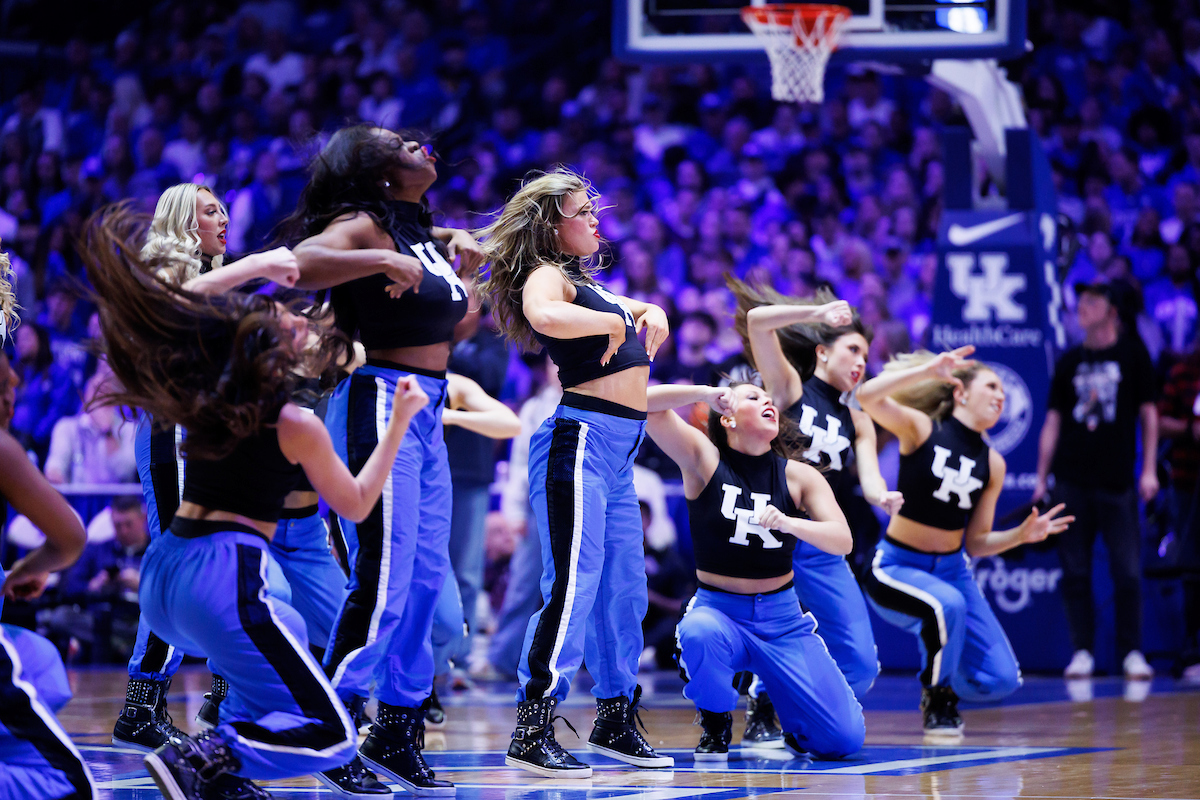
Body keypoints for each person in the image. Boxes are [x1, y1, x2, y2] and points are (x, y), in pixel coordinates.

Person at [83, 204, 427, 800]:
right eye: (285, 320)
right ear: (276, 351)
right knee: (333, 734)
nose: (298, 321)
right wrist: (398, 423)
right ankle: (208, 757)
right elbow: (356, 502)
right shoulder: (294, 422)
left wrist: (254, 272)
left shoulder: (206, 394)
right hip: (222, 577)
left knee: (288, 619)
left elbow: (170, 309)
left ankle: (224, 753)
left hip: (165, 576)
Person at [289, 124, 484, 796]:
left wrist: (465, 273)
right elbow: (300, 263)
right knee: (384, 578)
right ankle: (331, 727)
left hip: (425, 405)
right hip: (379, 400)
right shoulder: (363, 224)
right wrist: (377, 261)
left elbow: (448, 327)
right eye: (402, 144)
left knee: (427, 580)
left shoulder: (418, 233)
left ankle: (396, 729)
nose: (421, 146)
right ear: (377, 173)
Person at [478, 167, 672, 778]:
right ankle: (533, 725)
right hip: (580, 437)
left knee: (624, 589)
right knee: (574, 584)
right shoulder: (548, 277)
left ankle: (614, 717)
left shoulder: (587, 282)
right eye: (583, 210)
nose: (596, 219)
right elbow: (543, 315)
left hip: (618, 450)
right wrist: (612, 323)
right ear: (551, 224)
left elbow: (621, 307)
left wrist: (649, 308)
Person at [113, 182, 301, 754]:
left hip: (217, 431)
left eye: (223, 207)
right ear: (180, 221)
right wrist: (258, 266)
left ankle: (224, 696)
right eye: (209, 210)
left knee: (220, 560)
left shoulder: (216, 277)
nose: (222, 216)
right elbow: (177, 304)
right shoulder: (169, 273)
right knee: (181, 559)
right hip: (173, 433)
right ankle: (141, 706)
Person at [644, 380, 865, 761]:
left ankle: (794, 724)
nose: (767, 400)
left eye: (768, 396)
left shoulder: (800, 476)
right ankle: (715, 720)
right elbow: (643, 403)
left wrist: (792, 524)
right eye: (753, 396)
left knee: (843, 741)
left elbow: (842, 540)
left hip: (783, 621)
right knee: (698, 631)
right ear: (727, 417)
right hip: (719, 612)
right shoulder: (704, 460)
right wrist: (703, 393)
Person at [857, 346, 1073, 734]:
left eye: (1004, 393)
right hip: (897, 567)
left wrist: (1021, 536)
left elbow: (975, 543)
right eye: (992, 386)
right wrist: (928, 369)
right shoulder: (921, 427)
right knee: (949, 605)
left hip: (954, 569)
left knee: (1002, 679)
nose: (1000, 396)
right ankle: (937, 697)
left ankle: (942, 668)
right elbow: (867, 396)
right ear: (960, 393)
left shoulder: (993, 462)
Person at [730, 282, 903, 743]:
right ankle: (766, 700)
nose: (861, 362)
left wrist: (882, 496)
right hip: (770, 538)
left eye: (867, 356)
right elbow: (756, 323)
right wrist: (821, 311)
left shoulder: (859, 417)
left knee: (863, 664)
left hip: (820, 541)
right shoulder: (788, 389)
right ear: (823, 353)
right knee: (766, 635)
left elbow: (869, 478)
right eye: (852, 350)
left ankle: (780, 699)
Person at [0, 245, 97, 800]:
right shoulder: (4, 450)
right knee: (68, 783)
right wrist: (25, 570)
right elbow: (70, 537)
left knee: (44, 667)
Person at [1033, 281, 1160, 680]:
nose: (1082, 307)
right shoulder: (1070, 361)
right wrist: (1041, 477)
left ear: (1111, 311)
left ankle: (1132, 652)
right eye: (1081, 301)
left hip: (1118, 479)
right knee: (1075, 571)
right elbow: (1052, 420)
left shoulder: (1133, 354)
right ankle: (1083, 650)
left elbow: (1149, 415)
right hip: (1071, 479)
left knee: (1126, 570)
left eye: (1093, 302)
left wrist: (1150, 469)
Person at [428, 371, 522, 724]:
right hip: (384, 514)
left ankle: (433, 682)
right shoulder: (373, 371)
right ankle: (385, 702)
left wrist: (448, 414)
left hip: (432, 515)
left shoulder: (452, 385)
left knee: (450, 622)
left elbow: (508, 422)